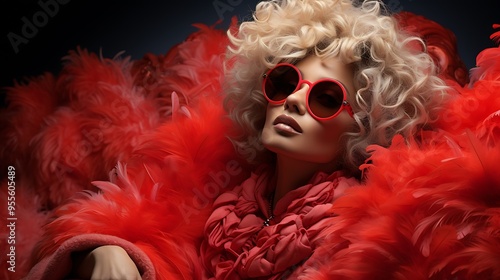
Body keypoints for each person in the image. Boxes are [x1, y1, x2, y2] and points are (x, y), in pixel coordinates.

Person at [22, 0, 500, 279]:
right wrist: (108, 250)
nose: (293, 100)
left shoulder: (357, 227)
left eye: (326, 97)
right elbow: (144, 234)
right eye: (284, 81)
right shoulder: (222, 199)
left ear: (363, 124)